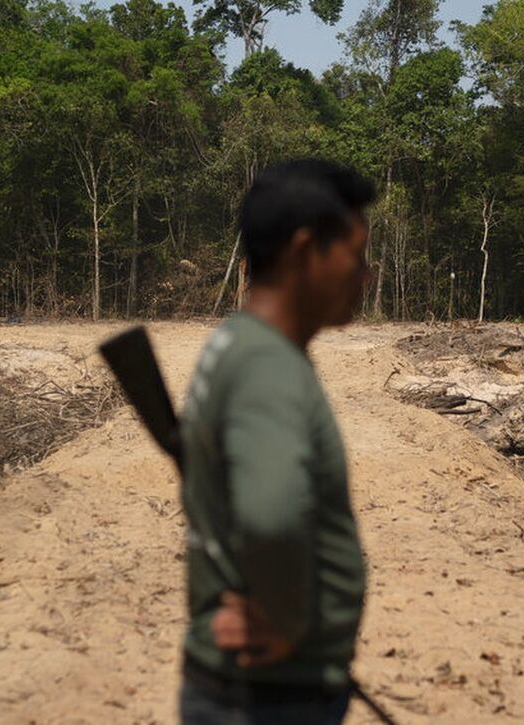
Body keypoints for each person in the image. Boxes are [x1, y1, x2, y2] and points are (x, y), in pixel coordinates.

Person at [177, 159, 375, 724]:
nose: (365, 276)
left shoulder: (239, 343)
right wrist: (289, 622)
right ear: (305, 250)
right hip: (268, 697)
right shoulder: (268, 367)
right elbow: (271, 514)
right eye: (356, 256)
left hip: (250, 689)